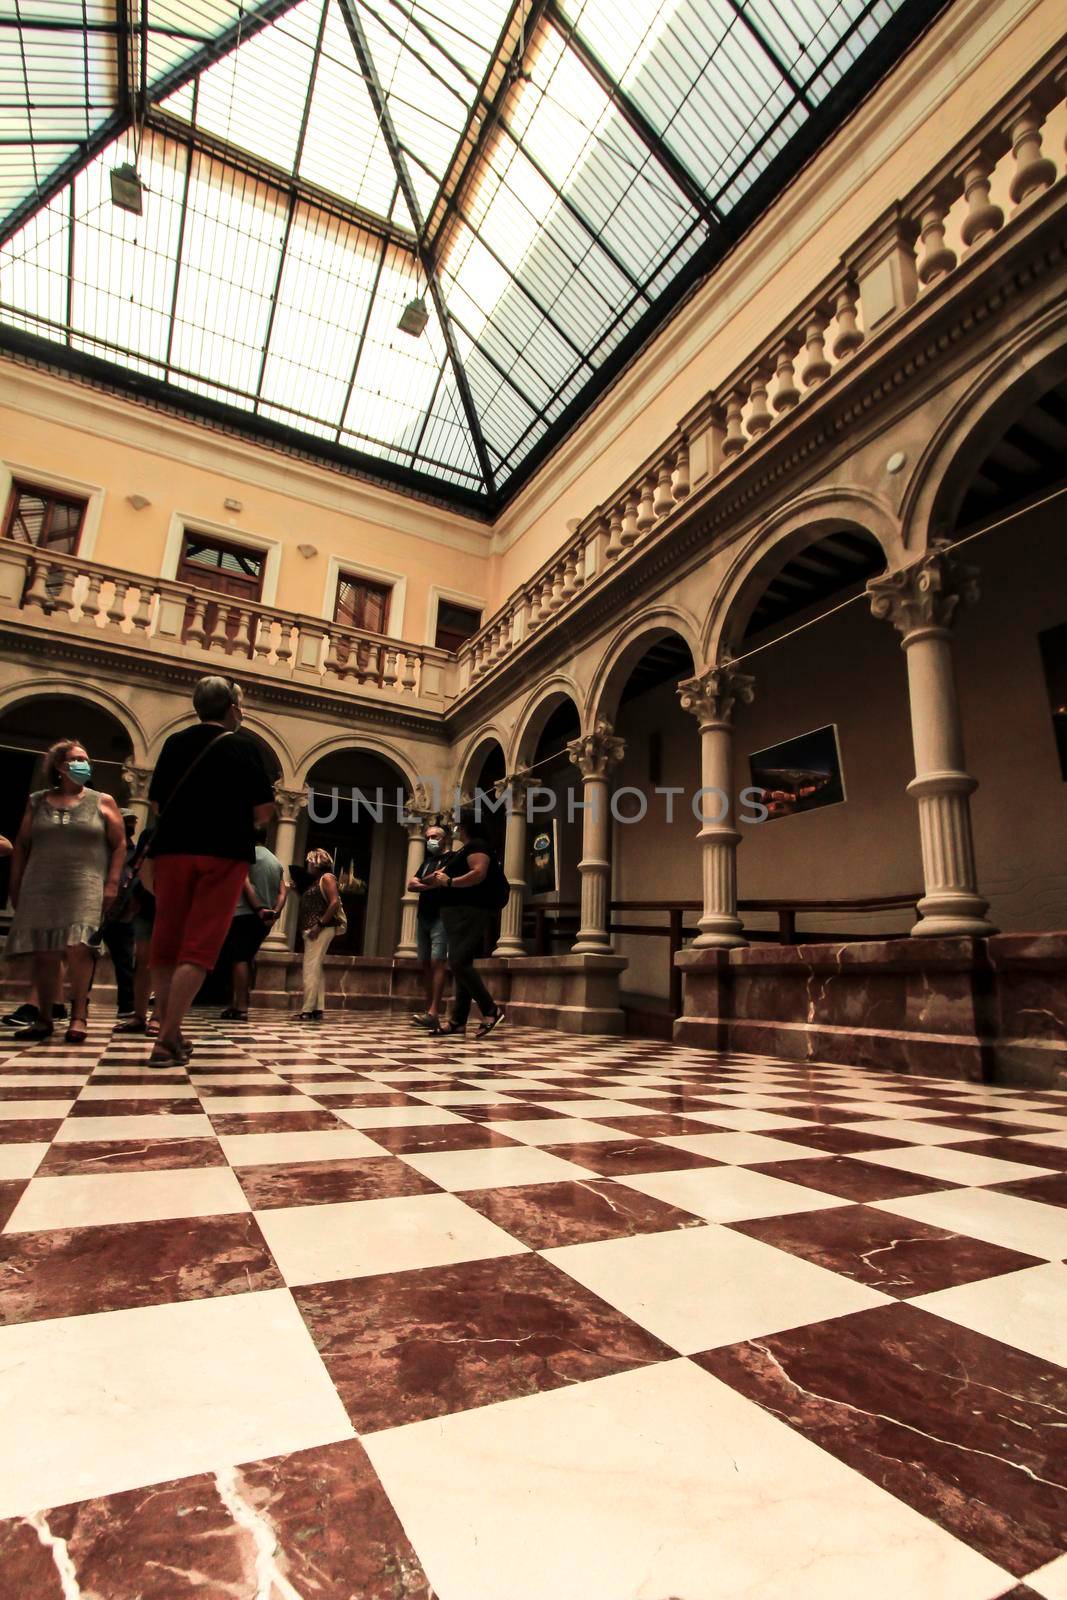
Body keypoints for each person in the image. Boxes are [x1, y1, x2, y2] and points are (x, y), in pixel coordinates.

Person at [145, 676, 275, 1067]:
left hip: (171, 853)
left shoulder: (174, 743)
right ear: (233, 708)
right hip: (222, 855)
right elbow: (263, 812)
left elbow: (155, 803)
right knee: (200, 946)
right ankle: (167, 1039)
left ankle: (171, 1031)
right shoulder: (243, 747)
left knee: (166, 944)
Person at [4, 740, 126, 1043]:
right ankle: (44, 1017)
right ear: (60, 766)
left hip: (84, 883)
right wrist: (15, 884)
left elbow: (119, 843)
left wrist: (112, 882)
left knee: (79, 949)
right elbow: (21, 845)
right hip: (41, 883)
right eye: (77, 759)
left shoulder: (102, 800)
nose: (84, 763)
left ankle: (79, 1016)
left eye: (86, 758)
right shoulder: (38, 801)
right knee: (45, 952)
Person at [427, 806, 505, 1040]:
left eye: (458, 825)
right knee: (461, 963)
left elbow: (479, 873)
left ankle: (491, 1010)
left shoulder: (477, 846)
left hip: (470, 912)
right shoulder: (464, 850)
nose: (456, 830)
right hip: (459, 915)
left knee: (458, 961)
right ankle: (458, 1021)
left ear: (466, 826)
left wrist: (450, 882)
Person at [219, 825, 286, 1022]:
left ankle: (240, 1007)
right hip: (264, 919)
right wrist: (274, 912)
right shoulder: (275, 861)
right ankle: (237, 1003)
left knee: (239, 958)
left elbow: (243, 881)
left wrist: (257, 908)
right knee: (246, 958)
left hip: (245, 913)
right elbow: (284, 891)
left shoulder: (246, 855)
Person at [408, 821, 452, 1029]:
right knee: (425, 962)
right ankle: (428, 1011)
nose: (430, 841)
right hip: (423, 916)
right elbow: (411, 884)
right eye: (428, 837)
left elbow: (434, 879)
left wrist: (423, 883)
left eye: (435, 837)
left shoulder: (452, 858)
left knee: (437, 961)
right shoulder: (426, 861)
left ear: (445, 839)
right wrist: (428, 883)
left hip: (441, 916)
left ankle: (435, 1010)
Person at [296, 848, 342, 1021]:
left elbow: (334, 902)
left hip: (320, 929)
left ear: (315, 862)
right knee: (316, 968)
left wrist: (319, 924)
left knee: (310, 968)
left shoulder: (327, 878)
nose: (308, 864)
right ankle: (317, 1008)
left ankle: (306, 1010)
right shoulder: (317, 881)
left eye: (309, 861)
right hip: (315, 928)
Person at [99, 812, 138, 1016]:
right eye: (127, 821)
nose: (131, 825)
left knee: (124, 961)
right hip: (99, 908)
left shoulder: (136, 852)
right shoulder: (105, 849)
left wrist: (130, 910)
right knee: (87, 955)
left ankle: (127, 1005)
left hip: (124, 914)